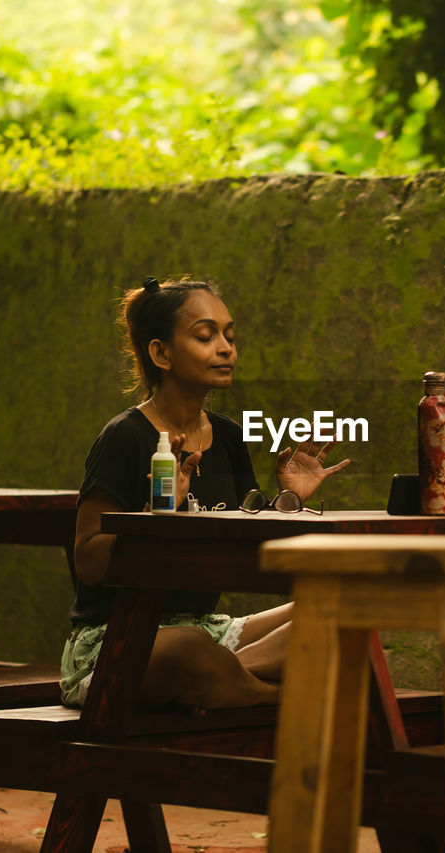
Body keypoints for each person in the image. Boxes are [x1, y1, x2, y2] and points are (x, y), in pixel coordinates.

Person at [61, 275, 349, 711]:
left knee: (342, 609)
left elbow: (242, 542)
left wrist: (289, 500)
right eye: (205, 335)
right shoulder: (126, 438)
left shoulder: (229, 437)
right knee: (187, 651)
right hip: (118, 636)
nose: (225, 348)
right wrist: (155, 515)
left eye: (229, 336)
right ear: (160, 352)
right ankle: (280, 697)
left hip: (208, 629)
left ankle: (226, 680)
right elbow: (87, 560)